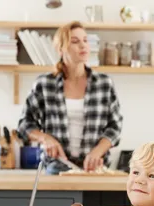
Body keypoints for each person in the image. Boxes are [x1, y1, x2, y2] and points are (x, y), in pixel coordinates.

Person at [17, 21, 123, 175]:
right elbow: (24, 124)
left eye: (85, 40)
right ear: (61, 48)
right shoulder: (44, 84)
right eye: (75, 41)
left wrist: (97, 152)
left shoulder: (104, 83)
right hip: (56, 166)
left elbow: (115, 126)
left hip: (95, 168)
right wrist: (46, 139)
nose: (83, 46)